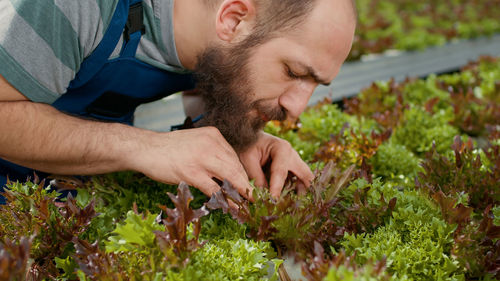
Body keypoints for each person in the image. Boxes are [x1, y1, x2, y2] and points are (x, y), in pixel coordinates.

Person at [0, 0, 356, 201]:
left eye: (317, 84)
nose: (297, 108)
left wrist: (238, 133)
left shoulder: (215, 39)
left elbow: (209, 79)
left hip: (70, 193)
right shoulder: (77, 6)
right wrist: (143, 146)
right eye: (293, 72)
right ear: (232, 20)